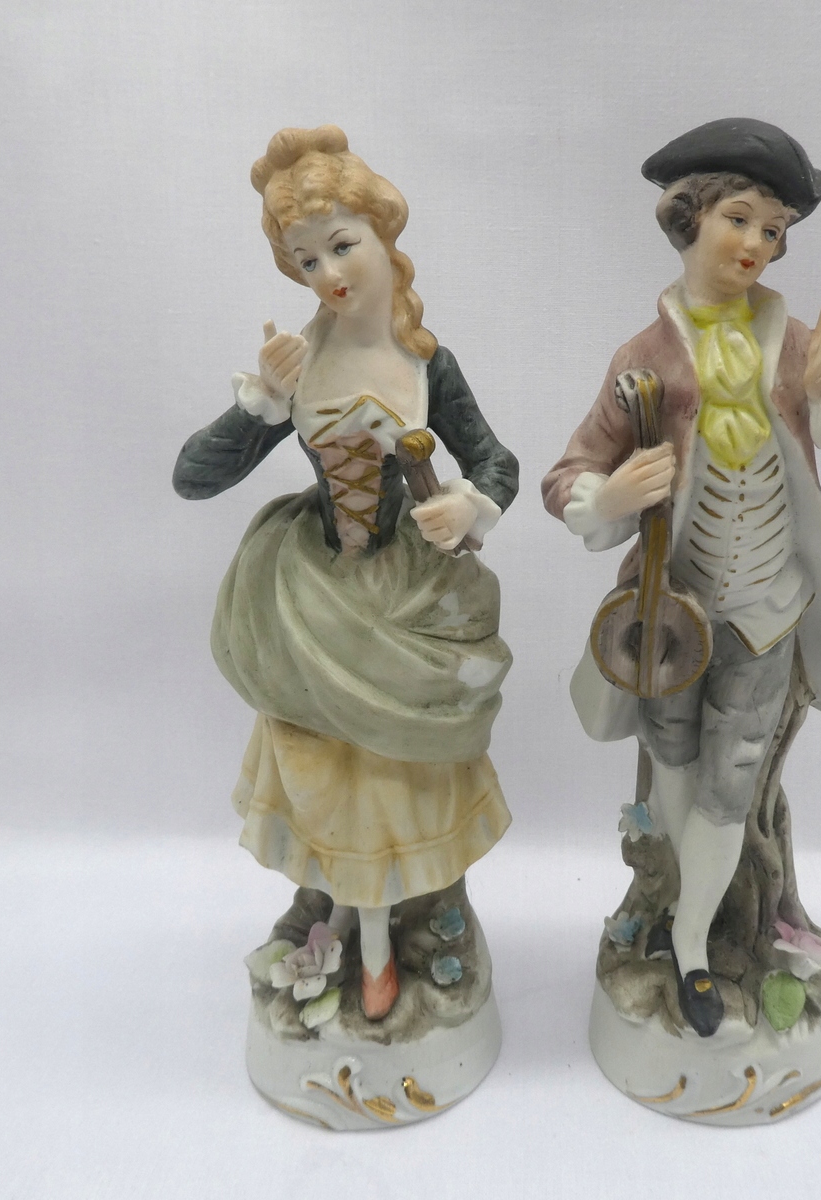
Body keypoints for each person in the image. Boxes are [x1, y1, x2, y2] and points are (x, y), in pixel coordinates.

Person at [543, 118, 821, 1036]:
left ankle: (692, 943)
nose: (756, 243)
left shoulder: (798, 350)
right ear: (688, 220)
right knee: (674, 764)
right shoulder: (643, 360)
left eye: (773, 228)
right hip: (671, 616)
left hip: (768, 609)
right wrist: (608, 498)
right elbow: (568, 474)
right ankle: (689, 932)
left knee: (736, 781)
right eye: (739, 219)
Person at [175, 126, 517, 1021]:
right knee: (328, 763)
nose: (327, 272)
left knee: (395, 769)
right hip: (316, 589)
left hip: (409, 587)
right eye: (306, 259)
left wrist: (469, 508)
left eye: (341, 245)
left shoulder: (426, 362)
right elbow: (193, 479)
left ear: (382, 233)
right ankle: (334, 913)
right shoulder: (302, 362)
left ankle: (406, 921)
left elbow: (496, 462)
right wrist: (260, 404)